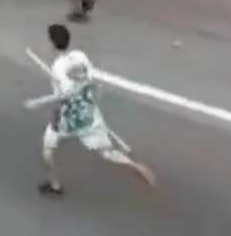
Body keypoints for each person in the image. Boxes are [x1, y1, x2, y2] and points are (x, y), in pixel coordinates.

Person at [25, 24, 156, 196]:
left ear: (51, 43)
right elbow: (92, 81)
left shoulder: (57, 68)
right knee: (106, 151)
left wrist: (38, 102)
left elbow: (65, 96)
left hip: (69, 119)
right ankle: (133, 164)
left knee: (47, 149)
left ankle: (55, 185)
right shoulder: (80, 56)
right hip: (89, 113)